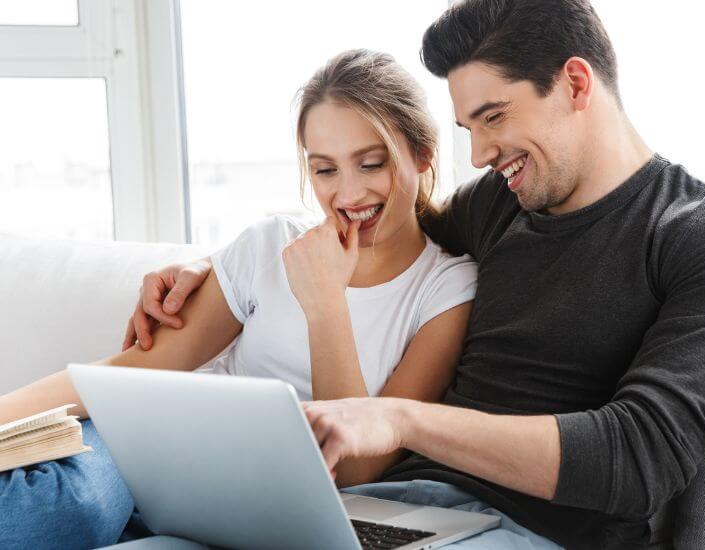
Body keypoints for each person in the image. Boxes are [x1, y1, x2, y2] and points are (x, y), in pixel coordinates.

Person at [131, 1, 705, 548]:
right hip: (400, 510)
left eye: (494, 117)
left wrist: (403, 420)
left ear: (577, 85)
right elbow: (380, 225)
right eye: (468, 127)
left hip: (530, 532)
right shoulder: (500, 202)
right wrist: (207, 269)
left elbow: (640, 459)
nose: (479, 153)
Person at [0, 49, 478, 548]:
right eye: (325, 170)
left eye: (371, 163)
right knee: (65, 506)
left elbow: (358, 468)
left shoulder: (447, 288)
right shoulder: (271, 244)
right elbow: (135, 367)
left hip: (266, 504)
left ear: (423, 153)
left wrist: (325, 303)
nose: (349, 193)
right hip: (154, 454)